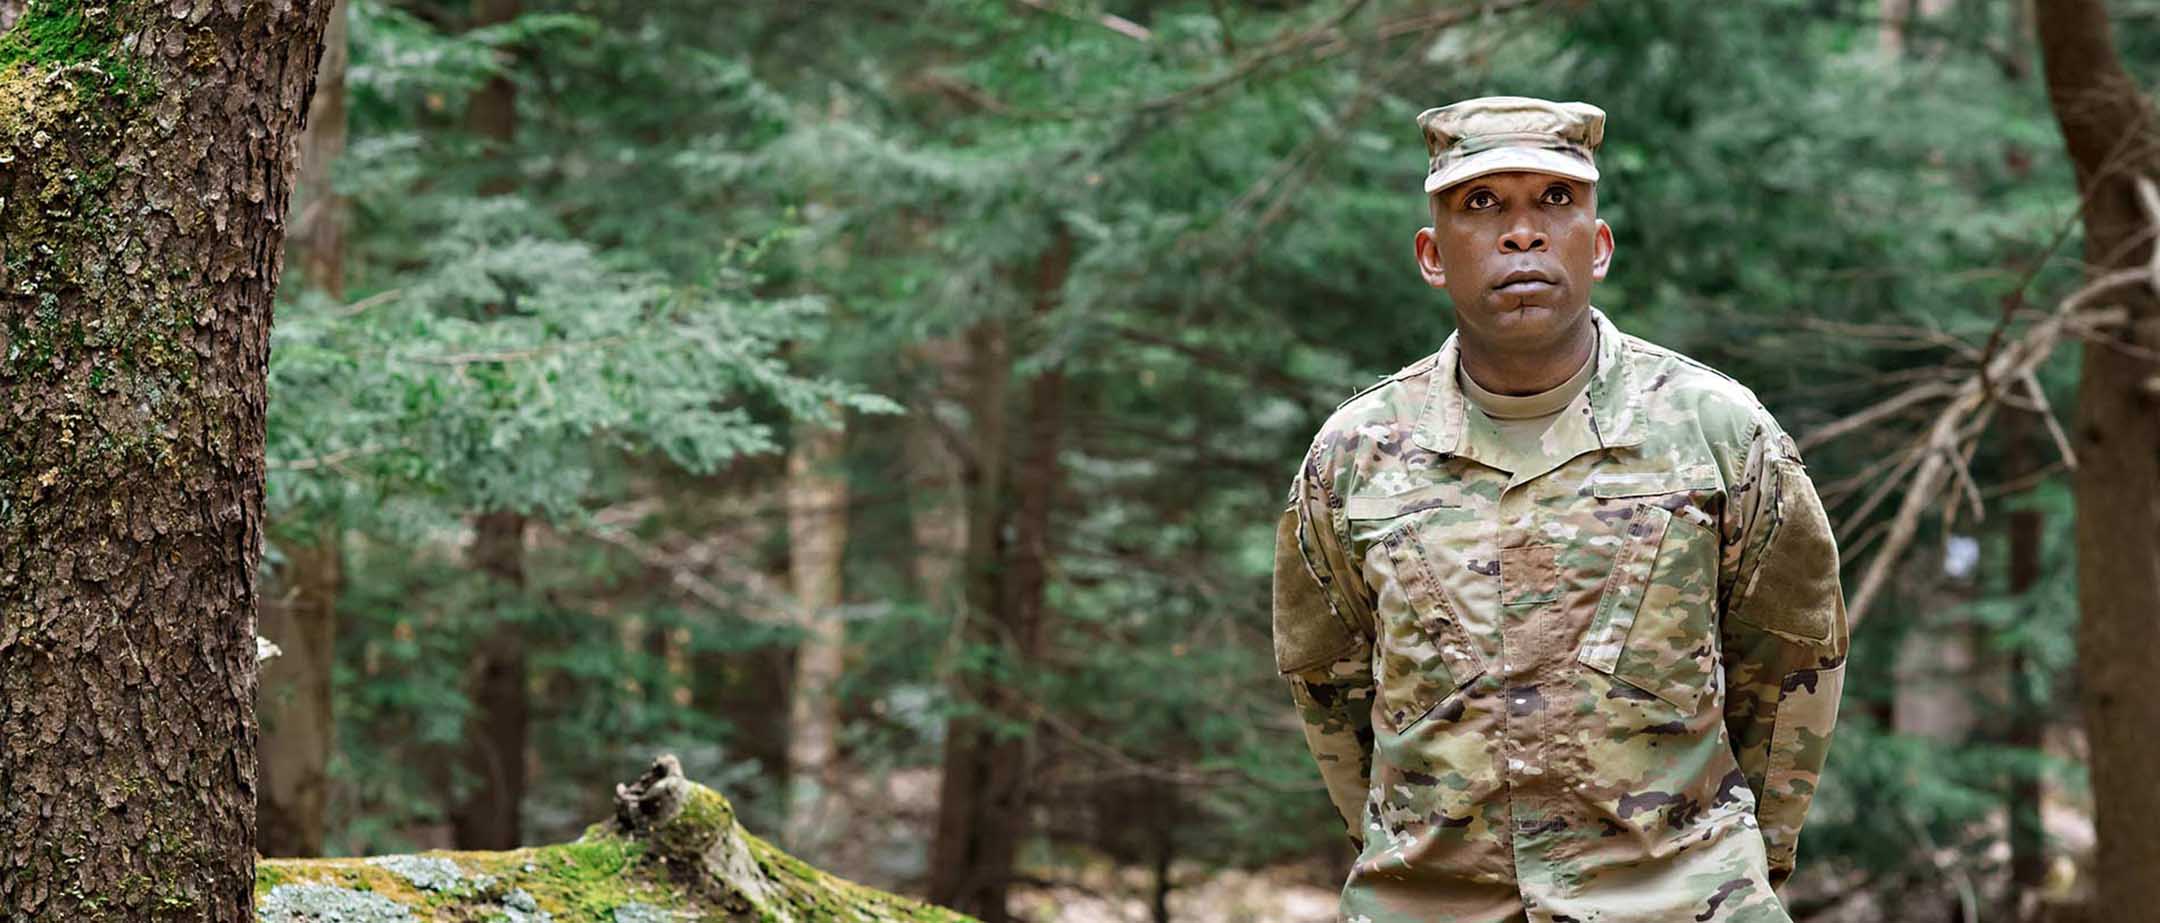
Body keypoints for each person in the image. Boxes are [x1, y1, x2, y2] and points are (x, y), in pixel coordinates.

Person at [1271, 95, 1850, 922]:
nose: (1522, 233)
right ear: (1433, 256)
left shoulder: (1715, 431)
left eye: (1555, 201)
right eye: (1483, 205)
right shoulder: (1355, 456)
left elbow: (1792, 660)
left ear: (1600, 243)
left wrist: (1735, 865)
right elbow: (1327, 686)